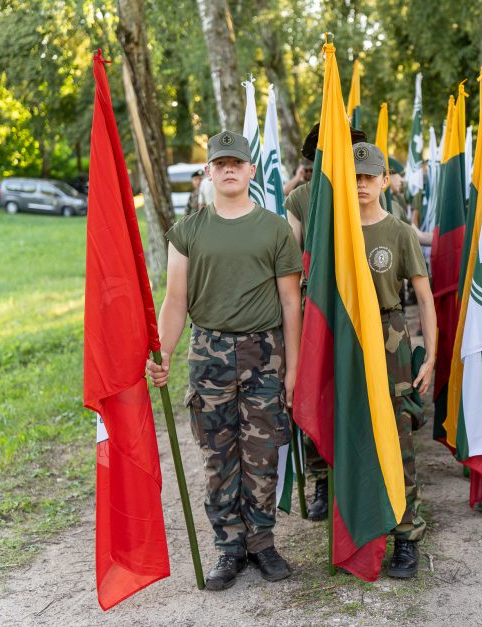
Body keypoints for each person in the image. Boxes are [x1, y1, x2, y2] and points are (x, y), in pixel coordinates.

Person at [145, 131, 303, 590]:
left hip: (265, 354)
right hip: (209, 353)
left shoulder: (274, 227)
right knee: (218, 455)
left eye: (237, 162)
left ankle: (262, 543)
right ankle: (229, 548)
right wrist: (164, 353)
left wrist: (293, 368)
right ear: (209, 172)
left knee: (262, 453)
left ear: (252, 170)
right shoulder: (189, 231)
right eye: (220, 163)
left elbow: (291, 303)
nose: (229, 169)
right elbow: (176, 301)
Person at [352, 142, 437, 578]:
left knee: (398, 438)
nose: (362, 184)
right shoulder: (336, 230)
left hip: (390, 338)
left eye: (369, 176)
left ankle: (406, 537)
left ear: (385, 180)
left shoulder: (400, 232)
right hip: (349, 340)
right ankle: (362, 532)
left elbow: (423, 298)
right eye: (355, 176)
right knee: (354, 438)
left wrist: (430, 354)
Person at [285, 122, 367, 521]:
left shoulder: (365, 193)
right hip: (315, 308)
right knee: (318, 388)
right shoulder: (301, 198)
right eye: (327, 149)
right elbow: (290, 251)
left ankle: (359, 475)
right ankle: (322, 479)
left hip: (358, 311)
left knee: (359, 392)